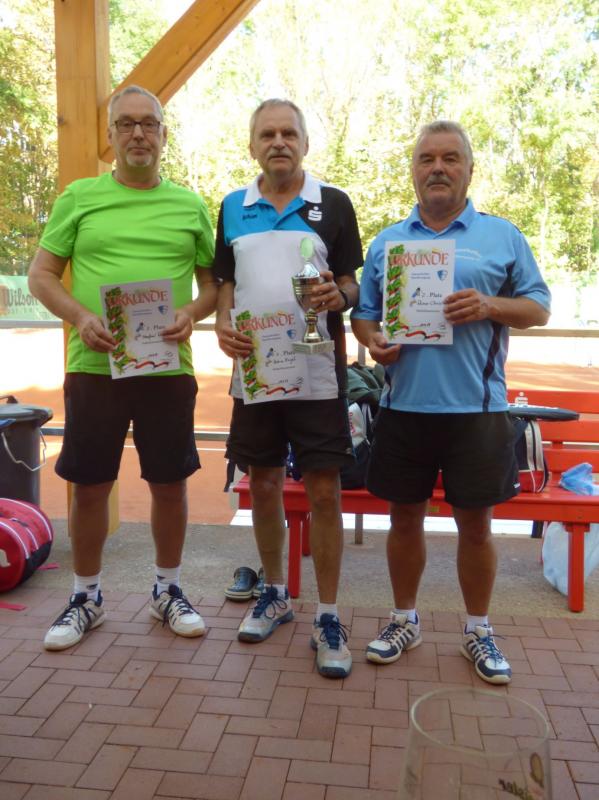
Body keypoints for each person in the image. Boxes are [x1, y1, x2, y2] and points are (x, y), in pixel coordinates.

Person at [351, 120, 551, 685]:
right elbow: (364, 315)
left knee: (477, 527)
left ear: (468, 169)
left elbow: (538, 307)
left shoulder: (502, 236)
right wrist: (374, 341)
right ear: (414, 170)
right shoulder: (388, 242)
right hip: (404, 409)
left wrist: (489, 305)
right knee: (403, 520)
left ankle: (478, 629)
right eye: (427, 159)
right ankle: (404, 620)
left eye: (450, 158)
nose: (437, 168)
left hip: (477, 411)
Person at [28, 85, 217, 651]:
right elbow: (41, 275)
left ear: (164, 134)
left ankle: (167, 589)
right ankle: (86, 596)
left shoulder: (190, 205)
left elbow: (212, 286)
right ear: (110, 136)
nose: (138, 133)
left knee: (169, 484)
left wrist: (191, 312)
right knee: (90, 487)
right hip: (94, 367)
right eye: (126, 124)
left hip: (167, 369)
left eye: (148, 124)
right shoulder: (79, 198)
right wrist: (81, 317)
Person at [213, 98, 362, 679]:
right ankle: (274, 592)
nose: (279, 142)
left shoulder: (334, 203)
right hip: (257, 370)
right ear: (253, 145)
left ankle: (328, 614)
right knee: (264, 482)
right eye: (268, 134)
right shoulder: (232, 206)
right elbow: (224, 282)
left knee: (324, 491)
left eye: (289, 133)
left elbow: (351, 282)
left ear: (304, 142)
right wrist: (222, 323)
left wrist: (339, 297)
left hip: (317, 371)